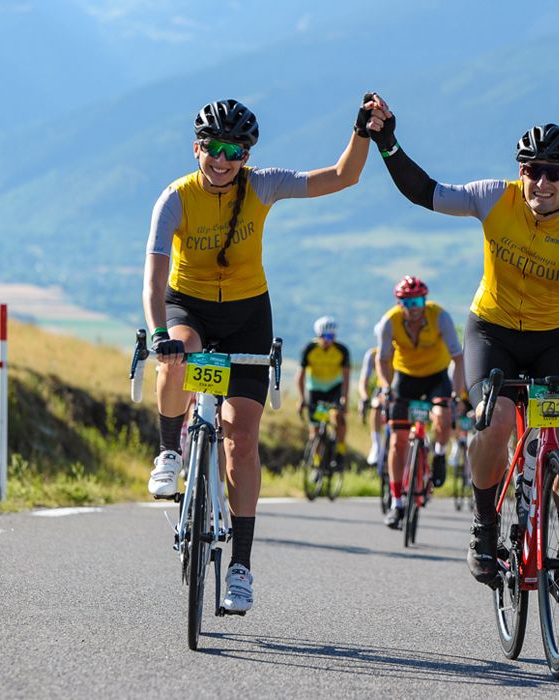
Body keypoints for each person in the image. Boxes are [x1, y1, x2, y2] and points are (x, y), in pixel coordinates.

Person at [366, 94, 559, 591]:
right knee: (496, 422)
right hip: (492, 333)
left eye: (554, 173)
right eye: (532, 170)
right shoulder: (493, 197)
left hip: (550, 341)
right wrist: (388, 144)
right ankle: (483, 528)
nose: (541, 182)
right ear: (520, 171)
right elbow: (426, 191)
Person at [143, 96, 372, 614]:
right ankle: (169, 453)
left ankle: (241, 567)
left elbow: (341, 176)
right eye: (214, 149)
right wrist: (161, 333)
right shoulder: (174, 199)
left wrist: (362, 131)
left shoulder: (263, 185)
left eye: (235, 151)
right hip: (189, 307)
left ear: (247, 154)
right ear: (196, 147)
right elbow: (154, 281)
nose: (222, 161)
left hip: (248, 314)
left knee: (241, 441)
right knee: (180, 355)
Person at [375, 275, 466, 529]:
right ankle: (397, 503)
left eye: (419, 300)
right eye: (408, 301)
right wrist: (384, 386)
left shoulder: (440, 317)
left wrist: (456, 396)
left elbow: (457, 358)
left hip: (436, 378)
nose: (415, 306)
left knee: (442, 415)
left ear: (425, 300)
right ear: (400, 302)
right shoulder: (389, 322)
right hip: (405, 379)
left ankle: (438, 454)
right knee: (398, 441)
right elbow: (382, 360)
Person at [297, 315, 352, 467]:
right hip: (315, 390)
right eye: (325, 336)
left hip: (334, 389)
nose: (328, 340)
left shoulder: (342, 350)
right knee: (315, 429)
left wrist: (344, 399)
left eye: (332, 336)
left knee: (338, 417)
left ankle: (340, 450)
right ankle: (316, 463)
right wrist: (302, 399)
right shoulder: (310, 349)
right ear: (318, 335)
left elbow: (346, 378)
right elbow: (300, 377)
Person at [357, 346, 385, 466]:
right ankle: (376, 443)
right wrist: (364, 398)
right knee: (375, 405)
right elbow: (364, 381)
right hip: (382, 388)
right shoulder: (373, 354)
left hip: (401, 387)